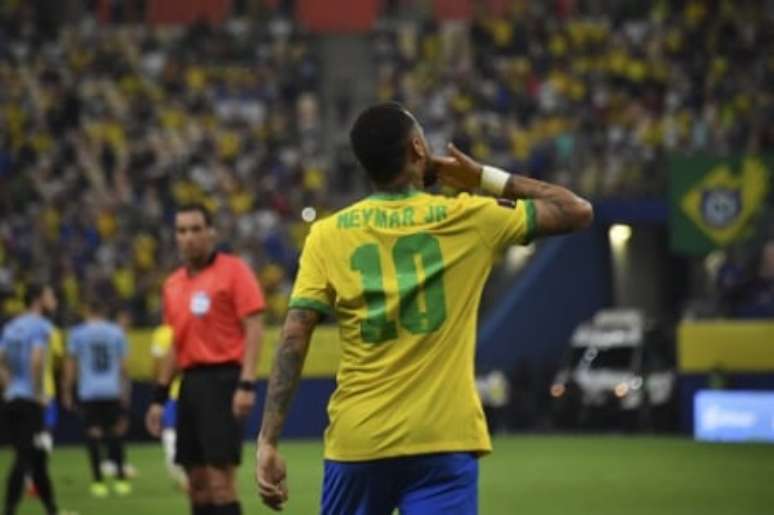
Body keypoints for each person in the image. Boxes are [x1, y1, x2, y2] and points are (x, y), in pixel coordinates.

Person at [255, 102, 593, 514]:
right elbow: (576, 210)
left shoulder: (326, 236)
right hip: (444, 440)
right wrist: (482, 177)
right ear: (418, 149)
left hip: (360, 440)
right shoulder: (470, 218)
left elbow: (294, 335)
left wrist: (268, 440)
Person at [145, 203, 266, 515]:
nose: (189, 237)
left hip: (223, 381)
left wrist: (247, 383)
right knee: (196, 483)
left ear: (211, 232)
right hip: (189, 385)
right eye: (182, 231)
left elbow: (254, 327)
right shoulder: (172, 285)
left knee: (220, 481)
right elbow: (176, 343)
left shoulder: (234, 271)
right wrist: (159, 397)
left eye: (196, 229)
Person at [0, 283, 70, 515]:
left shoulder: (11, 327)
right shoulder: (42, 326)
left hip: (12, 399)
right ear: (39, 299)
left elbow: (0, 361)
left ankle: (52, 509)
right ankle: (9, 510)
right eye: (51, 295)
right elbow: (38, 359)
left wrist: (9, 386)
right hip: (31, 401)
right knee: (25, 457)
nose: (54, 299)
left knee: (37, 458)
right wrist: (37, 391)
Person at [62, 296, 131, 497]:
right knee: (116, 432)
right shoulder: (116, 332)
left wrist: (66, 390)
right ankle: (120, 480)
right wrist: (125, 391)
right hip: (111, 389)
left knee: (93, 434)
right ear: (104, 312)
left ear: (88, 311)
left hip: (89, 391)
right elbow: (124, 367)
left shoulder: (77, 333)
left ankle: (98, 482)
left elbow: (71, 365)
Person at [149, 322, 188, 491]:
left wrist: (158, 388)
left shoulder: (162, 332)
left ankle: (181, 473)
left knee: (170, 433)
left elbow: (157, 366)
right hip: (191, 391)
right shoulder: (192, 324)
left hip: (172, 392)